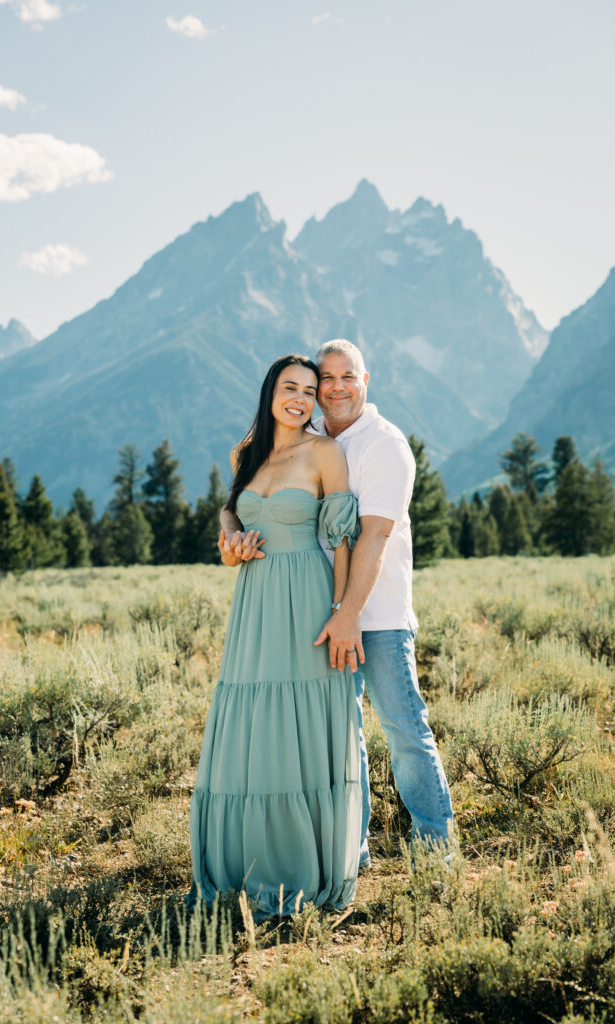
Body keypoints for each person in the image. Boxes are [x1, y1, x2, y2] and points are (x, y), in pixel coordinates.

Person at [189, 354, 361, 920]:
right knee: (254, 720)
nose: (302, 399)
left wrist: (341, 613)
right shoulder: (247, 453)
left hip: (307, 599)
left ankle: (297, 863)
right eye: (291, 388)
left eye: (310, 391)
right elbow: (228, 514)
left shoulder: (324, 453)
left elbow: (339, 540)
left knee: (301, 722)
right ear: (270, 393)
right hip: (255, 603)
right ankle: (243, 861)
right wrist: (231, 539)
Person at [311, 339, 454, 868]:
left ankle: (436, 849)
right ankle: (353, 850)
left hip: (378, 618)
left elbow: (374, 537)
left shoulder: (384, 444)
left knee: (403, 729)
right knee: (340, 736)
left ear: (365, 381)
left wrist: (350, 615)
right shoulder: (311, 437)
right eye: (325, 377)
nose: (336, 387)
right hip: (324, 618)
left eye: (347, 376)